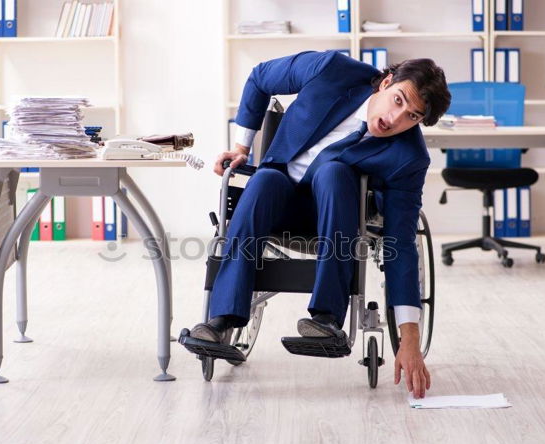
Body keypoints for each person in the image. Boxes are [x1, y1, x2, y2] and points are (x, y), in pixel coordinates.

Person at [190, 50, 450, 398]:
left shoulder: (410, 158)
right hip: (276, 200)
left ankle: (326, 319)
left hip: (337, 216)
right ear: (387, 82)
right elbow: (259, 77)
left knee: (334, 172)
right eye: (398, 100)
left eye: (411, 116)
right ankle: (222, 321)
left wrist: (410, 339)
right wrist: (242, 147)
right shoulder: (331, 69)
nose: (396, 117)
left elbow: (400, 243)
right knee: (265, 180)